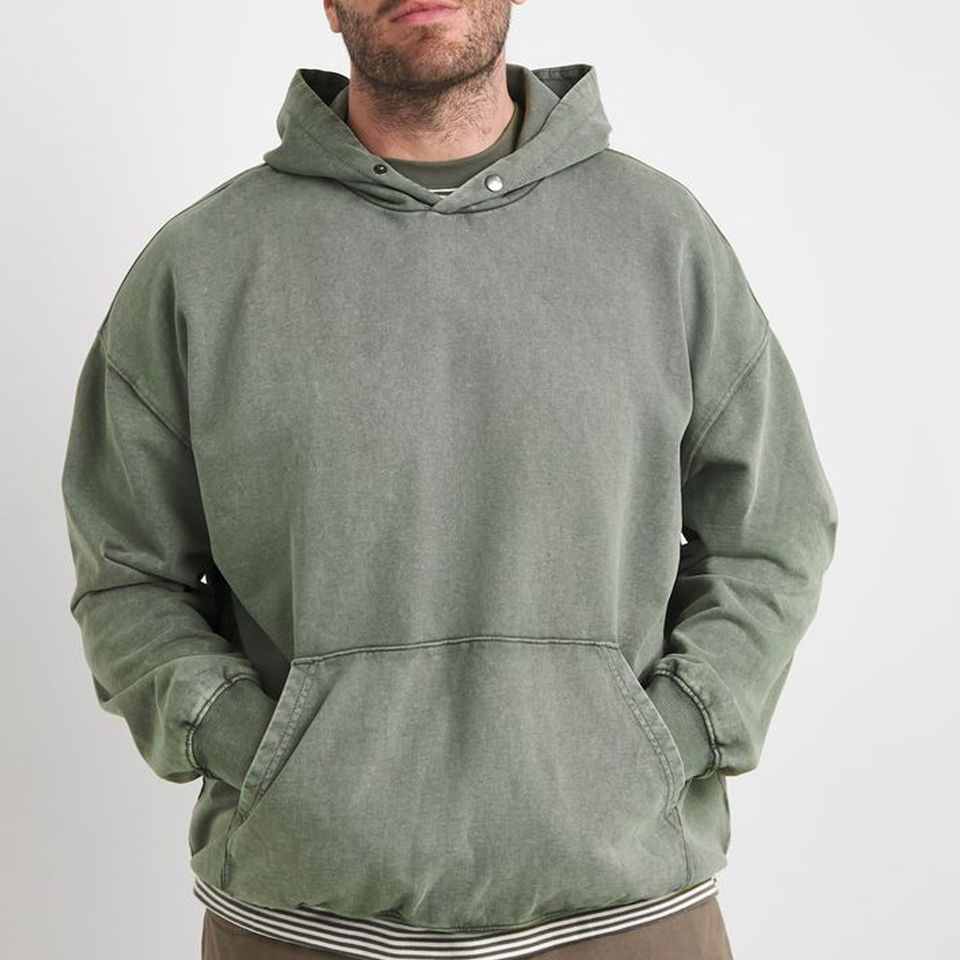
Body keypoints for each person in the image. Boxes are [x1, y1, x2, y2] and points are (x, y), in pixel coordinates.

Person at [59, 1, 839, 958]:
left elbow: (772, 531)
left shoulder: (663, 239)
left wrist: (671, 735)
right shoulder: (202, 266)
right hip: (301, 922)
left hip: (631, 912)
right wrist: (261, 757)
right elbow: (127, 574)